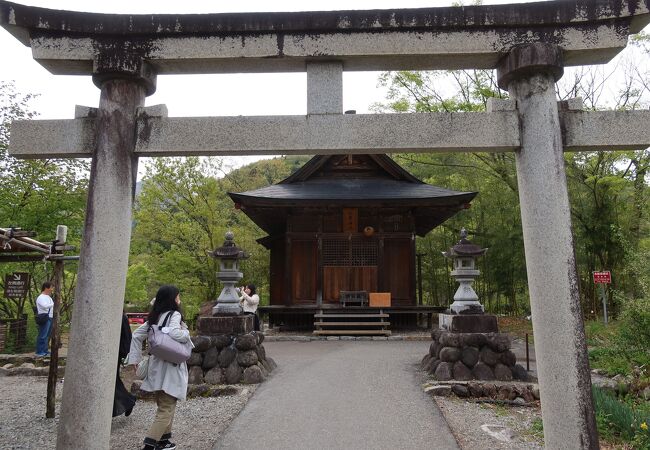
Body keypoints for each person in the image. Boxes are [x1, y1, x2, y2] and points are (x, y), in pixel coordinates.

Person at [126, 285, 190, 450]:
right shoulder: (174, 314)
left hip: (156, 365)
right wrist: (186, 334)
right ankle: (150, 444)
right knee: (167, 407)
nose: (179, 299)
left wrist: (134, 359)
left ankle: (164, 440)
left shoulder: (155, 316)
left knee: (164, 403)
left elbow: (136, 336)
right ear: (172, 299)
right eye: (178, 296)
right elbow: (176, 334)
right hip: (171, 365)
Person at [113, 313, 136, 418]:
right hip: (114, 351)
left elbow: (126, 338)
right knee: (113, 381)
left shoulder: (120, 315)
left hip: (114, 352)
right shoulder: (120, 315)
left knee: (113, 381)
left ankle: (128, 401)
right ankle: (126, 401)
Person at [35, 281, 54, 357]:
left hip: (50, 317)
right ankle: (39, 351)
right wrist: (54, 302)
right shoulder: (40, 297)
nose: (52, 289)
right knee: (42, 335)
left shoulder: (48, 297)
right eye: (51, 287)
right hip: (44, 317)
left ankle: (45, 350)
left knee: (47, 335)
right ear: (46, 287)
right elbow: (45, 306)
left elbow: (51, 306)